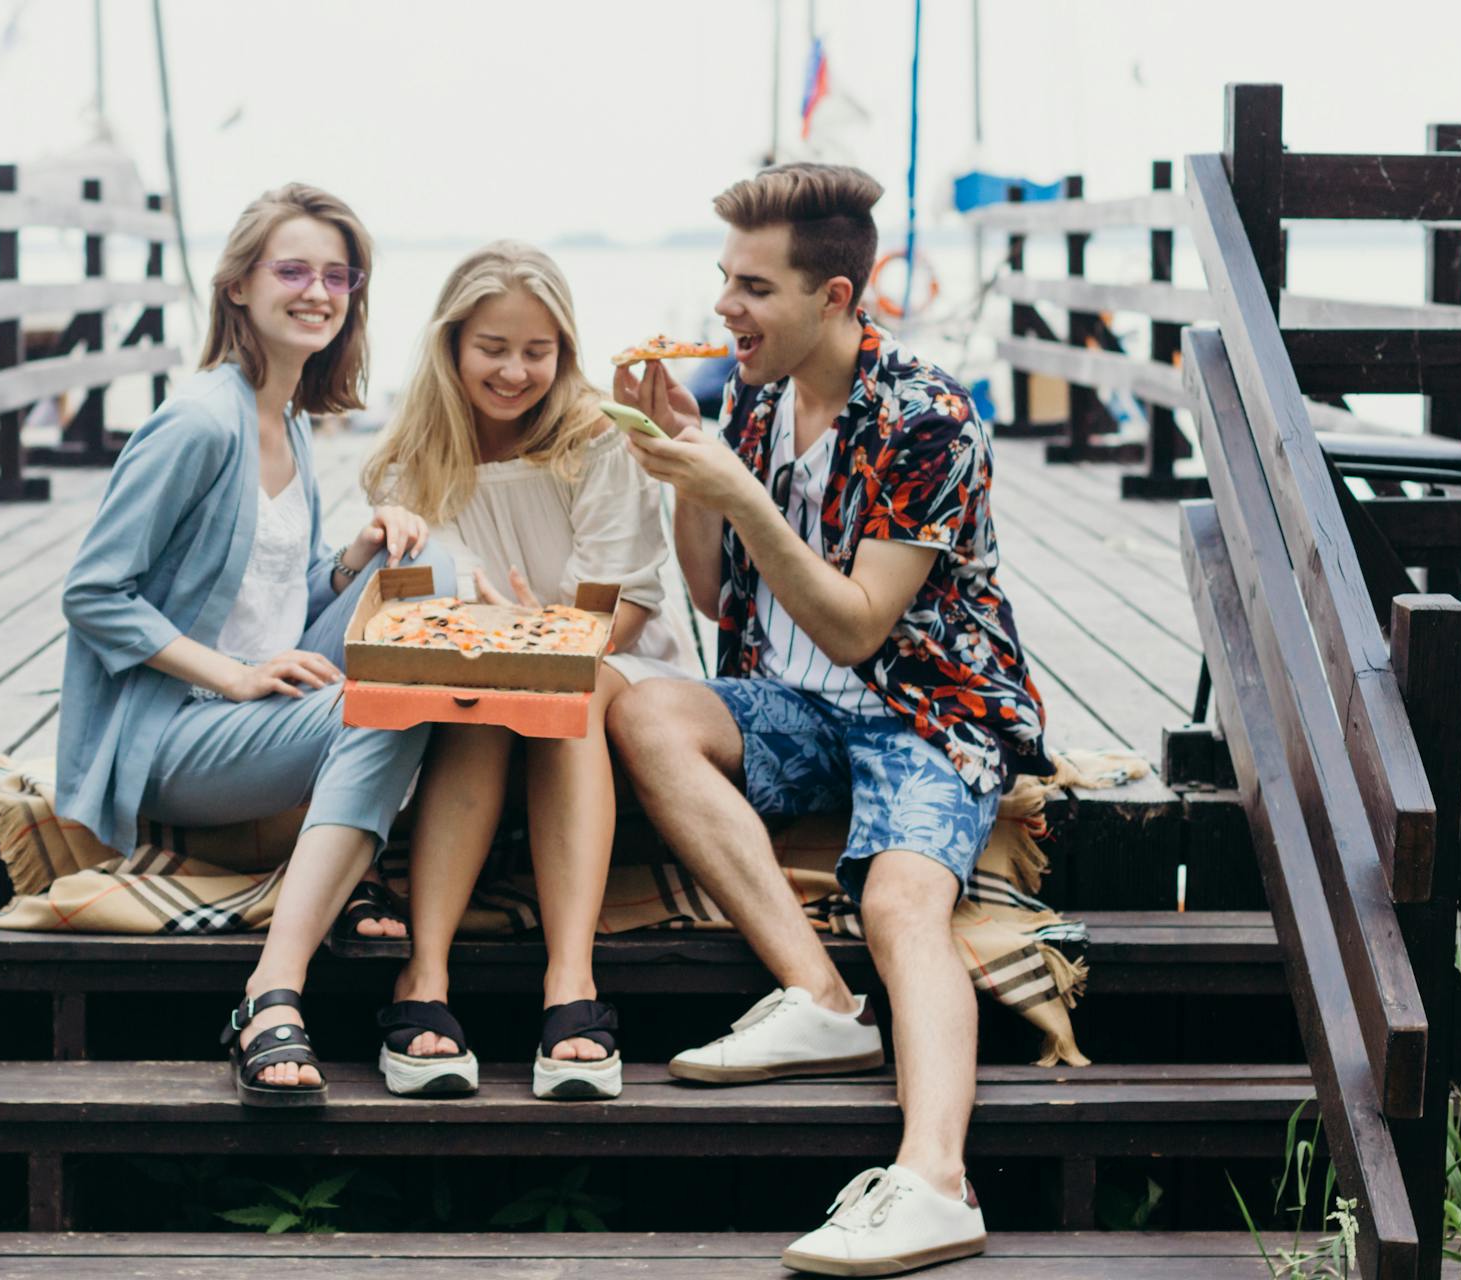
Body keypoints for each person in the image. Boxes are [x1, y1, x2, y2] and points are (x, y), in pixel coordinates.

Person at [608, 163, 1049, 1275]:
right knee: (647, 709)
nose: (724, 308)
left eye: (752, 287)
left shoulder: (930, 419)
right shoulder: (753, 400)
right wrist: (684, 468)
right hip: (796, 704)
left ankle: (937, 1180)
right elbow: (715, 597)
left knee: (905, 899)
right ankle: (819, 993)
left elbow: (858, 625)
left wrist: (740, 490)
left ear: (836, 299)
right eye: (724, 279)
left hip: (926, 709)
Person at [57, 183, 452, 1108]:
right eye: (293, 270)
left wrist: (356, 554)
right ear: (237, 284)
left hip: (246, 713)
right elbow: (91, 593)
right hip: (170, 734)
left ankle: (353, 860)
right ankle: (269, 990)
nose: (317, 291)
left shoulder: (287, 420)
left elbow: (274, 595)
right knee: (384, 707)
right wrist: (233, 677)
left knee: (415, 619)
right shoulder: (199, 422)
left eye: (336, 276)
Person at [359, 241, 685, 1101]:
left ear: (564, 352)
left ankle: (569, 980)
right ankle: (424, 977)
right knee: (485, 702)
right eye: (492, 348)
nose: (514, 371)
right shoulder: (412, 458)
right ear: (452, 345)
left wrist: (540, 638)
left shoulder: (597, 440)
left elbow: (629, 610)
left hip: (611, 660)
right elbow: (416, 603)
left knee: (559, 697)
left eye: (536, 351)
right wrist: (499, 642)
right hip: (479, 671)